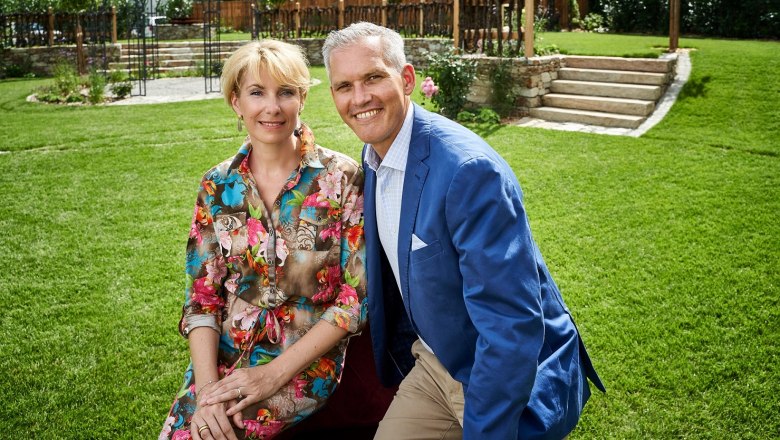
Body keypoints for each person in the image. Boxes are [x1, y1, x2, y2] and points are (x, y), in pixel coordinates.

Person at [322, 22, 605, 440]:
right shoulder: (372, 159)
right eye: (344, 85)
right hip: (436, 366)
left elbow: (512, 324)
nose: (359, 97)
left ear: (407, 79)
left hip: (503, 378)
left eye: (373, 77)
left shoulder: (468, 172)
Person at [160, 39, 367, 440]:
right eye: (257, 93)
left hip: (304, 357)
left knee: (230, 431)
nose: (272, 107)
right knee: (184, 433)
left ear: (303, 99)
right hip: (226, 351)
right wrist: (205, 393)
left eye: (285, 92)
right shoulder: (217, 186)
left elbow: (354, 299)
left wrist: (271, 376)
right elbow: (203, 298)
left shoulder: (341, 178)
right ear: (236, 102)